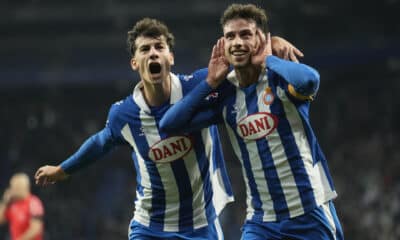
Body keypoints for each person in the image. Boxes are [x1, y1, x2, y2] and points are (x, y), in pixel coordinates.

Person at [34, 17, 302, 239]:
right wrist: (62, 169)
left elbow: (244, 71)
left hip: (201, 225)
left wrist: (271, 44)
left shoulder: (200, 84)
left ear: (170, 57)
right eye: (145, 49)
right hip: (150, 227)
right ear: (135, 63)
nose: (153, 52)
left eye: (159, 47)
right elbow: (102, 141)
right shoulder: (124, 114)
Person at [160, 4, 344, 240]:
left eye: (245, 34)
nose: (237, 42)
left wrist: (269, 59)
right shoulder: (225, 95)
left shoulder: (279, 78)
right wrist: (209, 83)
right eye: (230, 36)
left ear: (260, 39)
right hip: (261, 221)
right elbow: (170, 125)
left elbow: (309, 81)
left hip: (308, 212)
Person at [0, 173, 44, 240]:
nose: (14, 190)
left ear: (26, 187)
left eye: (17, 187)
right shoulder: (12, 204)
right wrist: (4, 202)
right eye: (13, 187)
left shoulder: (34, 202)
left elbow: (36, 229)